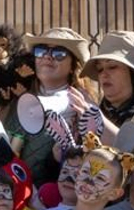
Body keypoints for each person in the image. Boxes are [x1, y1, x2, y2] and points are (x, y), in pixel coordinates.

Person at [6, 27, 92, 187]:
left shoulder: (83, 105)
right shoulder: (17, 95)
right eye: (41, 51)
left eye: (59, 53)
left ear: (72, 66)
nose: (47, 57)